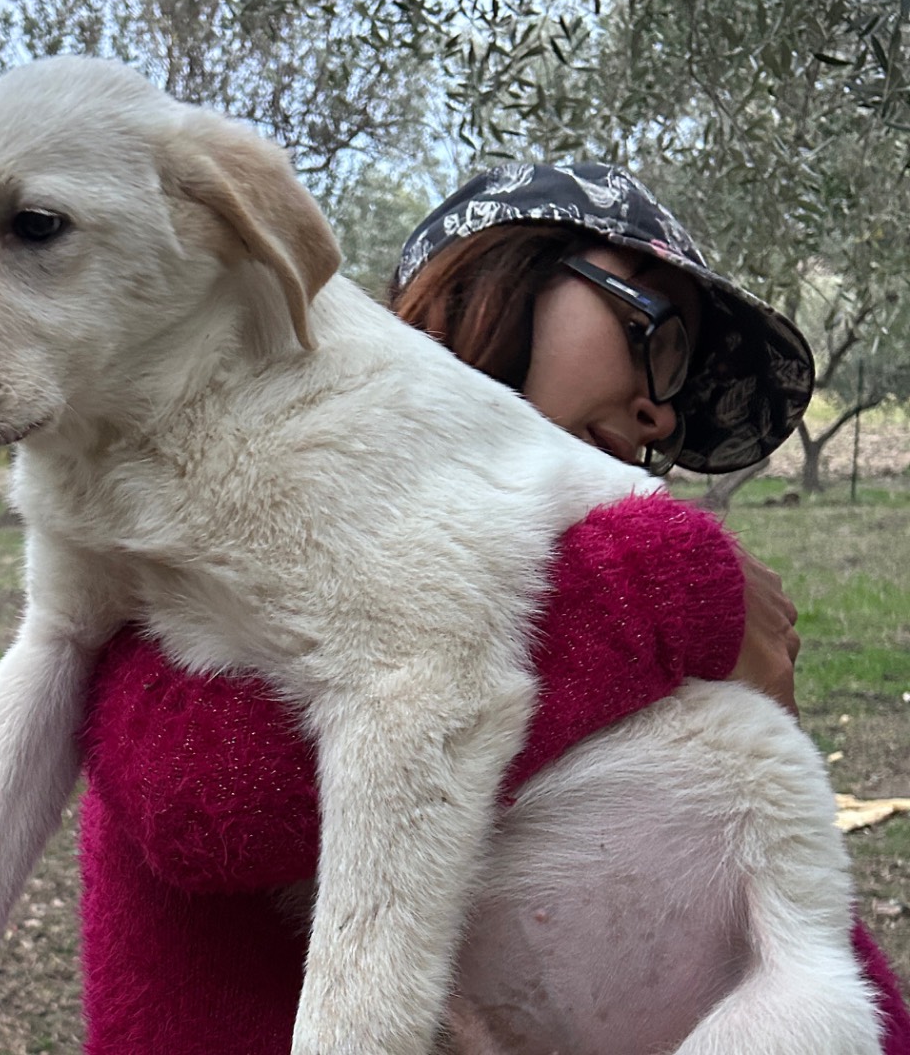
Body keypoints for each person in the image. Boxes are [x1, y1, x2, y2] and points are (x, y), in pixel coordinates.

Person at [74, 162, 910, 1054]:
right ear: (487, 279)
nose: (660, 416)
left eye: (681, 384)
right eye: (650, 330)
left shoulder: (609, 597)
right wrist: (672, 581)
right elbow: (211, 803)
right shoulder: (238, 502)